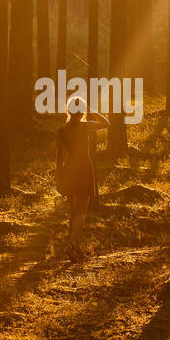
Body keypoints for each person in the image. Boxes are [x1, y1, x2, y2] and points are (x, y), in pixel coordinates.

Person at [56, 96, 110, 259]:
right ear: (81, 112)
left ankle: (76, 249)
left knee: (73, 212)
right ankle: (72, 244)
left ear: (68, 110)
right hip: (84, 170)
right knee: (81, 211)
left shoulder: (61, 130)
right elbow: (107, 123)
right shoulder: (85, 126)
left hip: (69, 170)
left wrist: (59, 177)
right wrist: (92, 112)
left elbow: (59, 157)